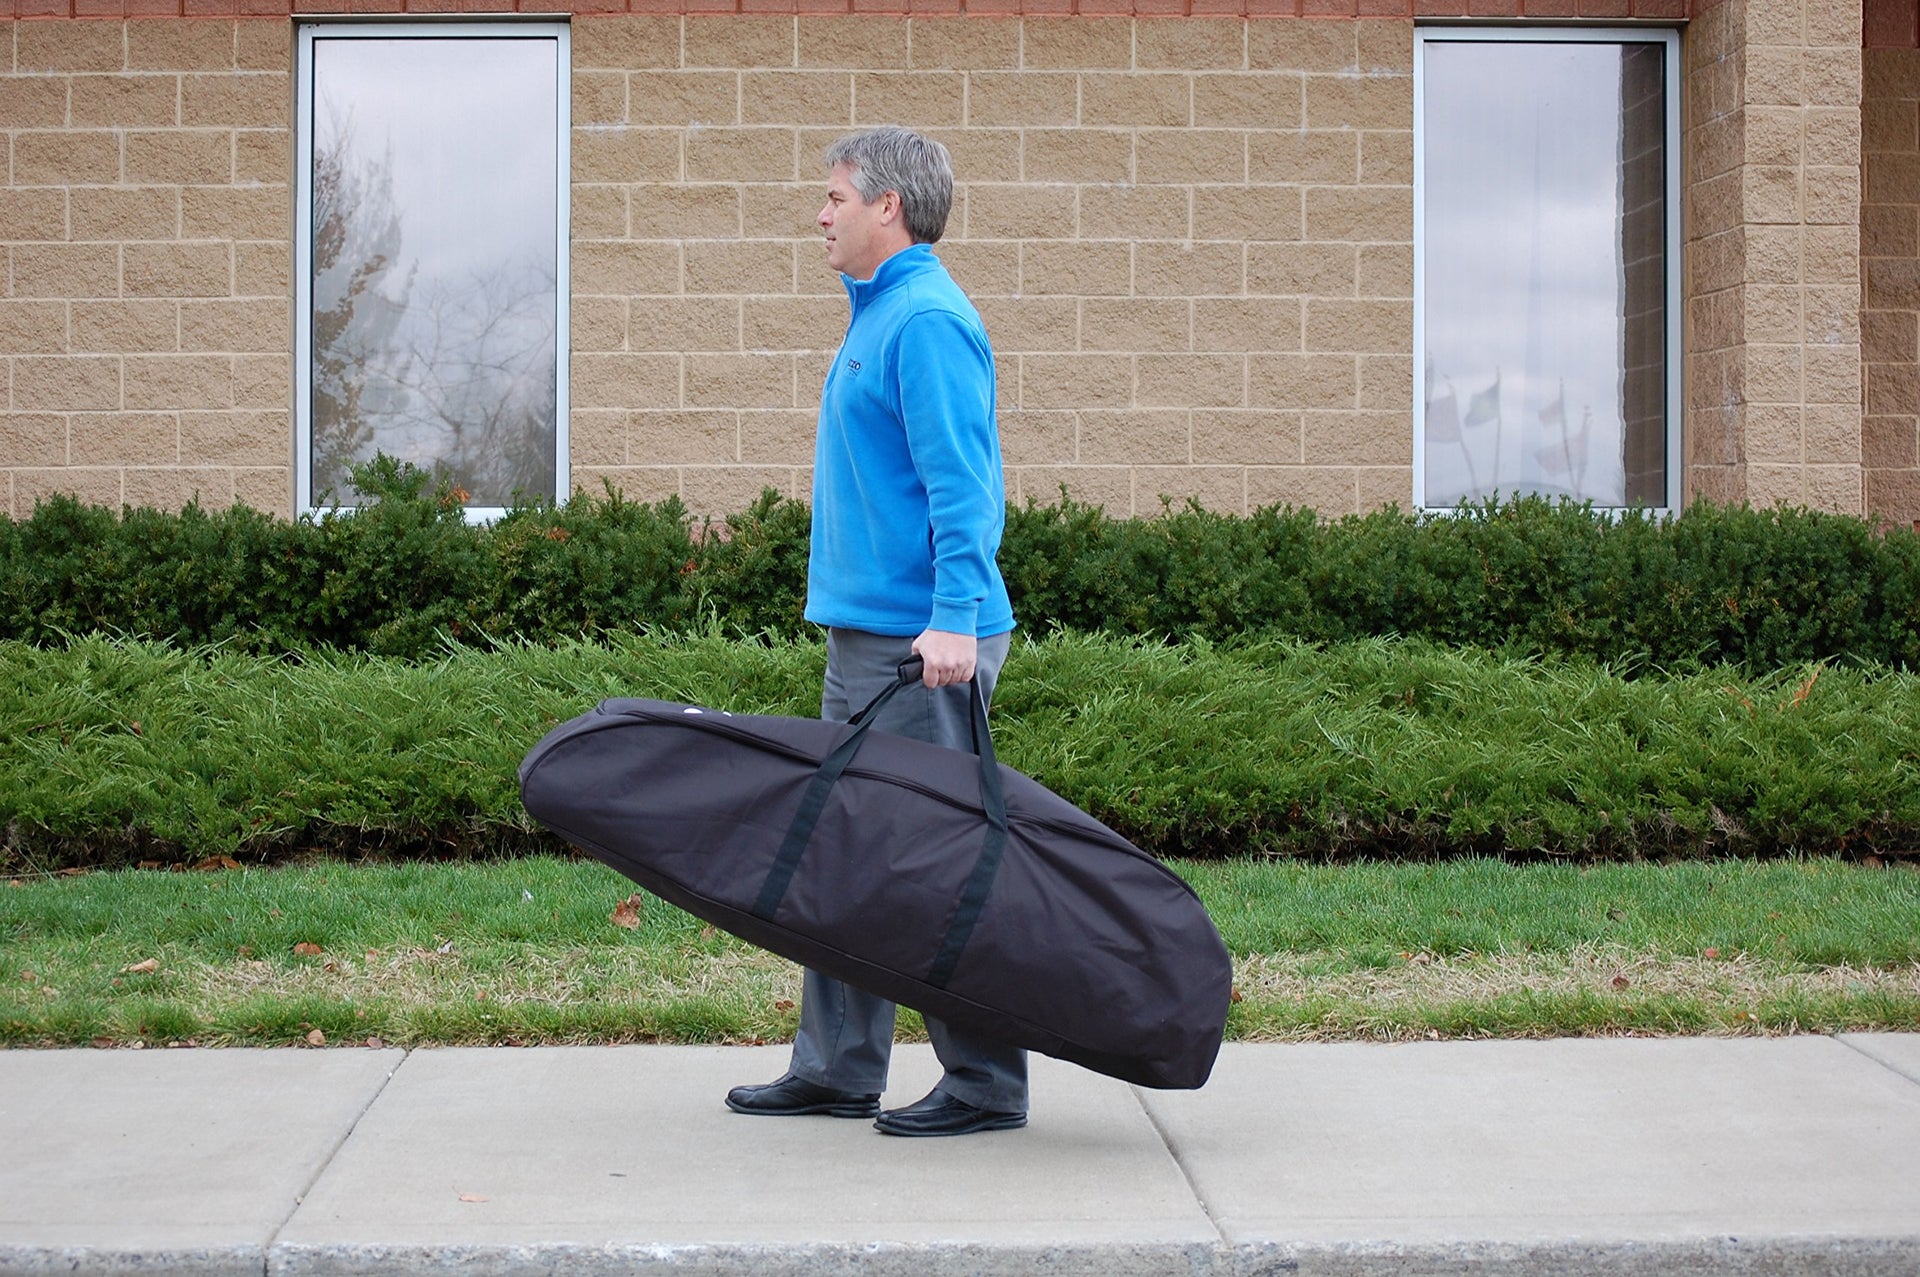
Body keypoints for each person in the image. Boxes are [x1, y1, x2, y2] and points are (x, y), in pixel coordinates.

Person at [723, 126, 1026, 1138]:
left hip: (923, 648)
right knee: (844, 851)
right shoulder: (878, 313)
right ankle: (839, 1067)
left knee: (930, 859)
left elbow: (964, 488)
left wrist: (953, 619)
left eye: (836, 197)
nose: (821, 214)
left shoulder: (927, 320)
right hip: (869, 642)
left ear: (888, 206)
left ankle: (985, 1080)